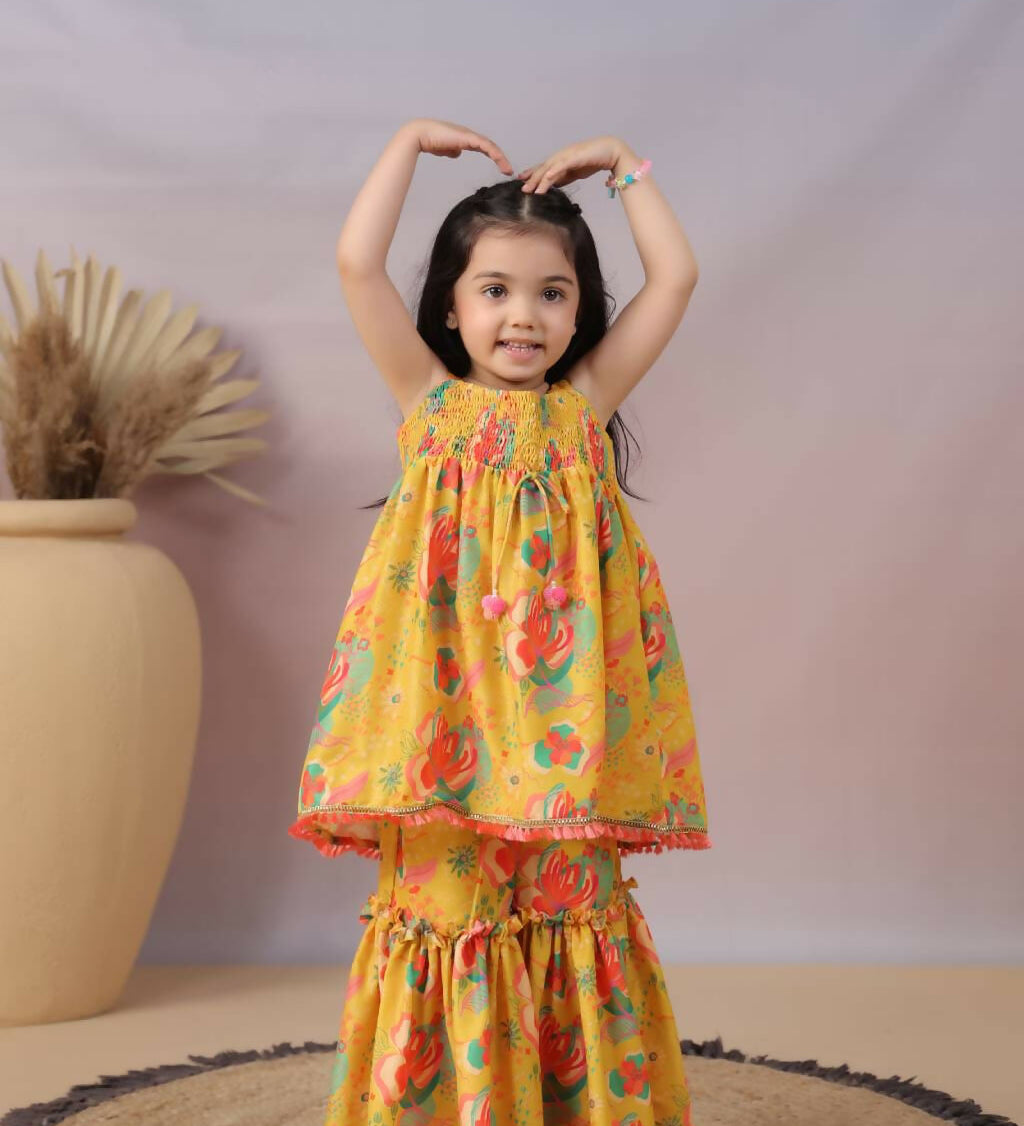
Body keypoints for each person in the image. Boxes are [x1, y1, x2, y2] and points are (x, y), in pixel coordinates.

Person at [290, 116, 711, 1126]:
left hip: (565, 735)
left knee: (571, 905)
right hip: (439, 731)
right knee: (447, 910)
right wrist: (403, 144)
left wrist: (625, 166)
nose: (524, 316)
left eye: (552, 294)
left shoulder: (581, 406)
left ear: (580, 311)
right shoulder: (427, 401)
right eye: (495, 290)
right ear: (450, 304)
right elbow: (356, 264)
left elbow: (676, 277)